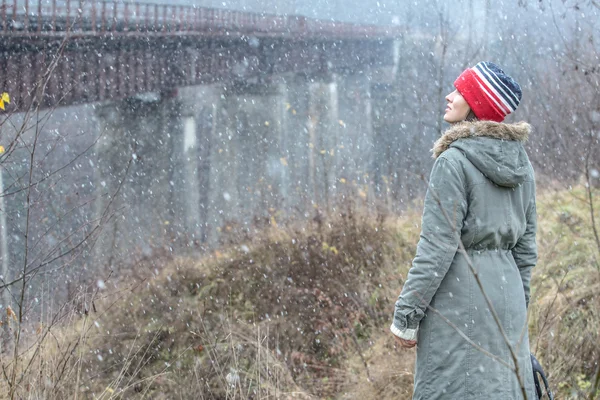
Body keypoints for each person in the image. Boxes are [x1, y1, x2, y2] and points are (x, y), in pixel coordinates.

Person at [390, 61, 537, 399]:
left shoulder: (453, 162)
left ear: (477, 103)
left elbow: (437, 247)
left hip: (459, 299)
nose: (448, 95)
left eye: (459, 91)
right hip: (507, 294)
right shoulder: (521, 162)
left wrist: (407, 315)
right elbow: (526, 250)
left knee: (453, 389)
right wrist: (517, 306)